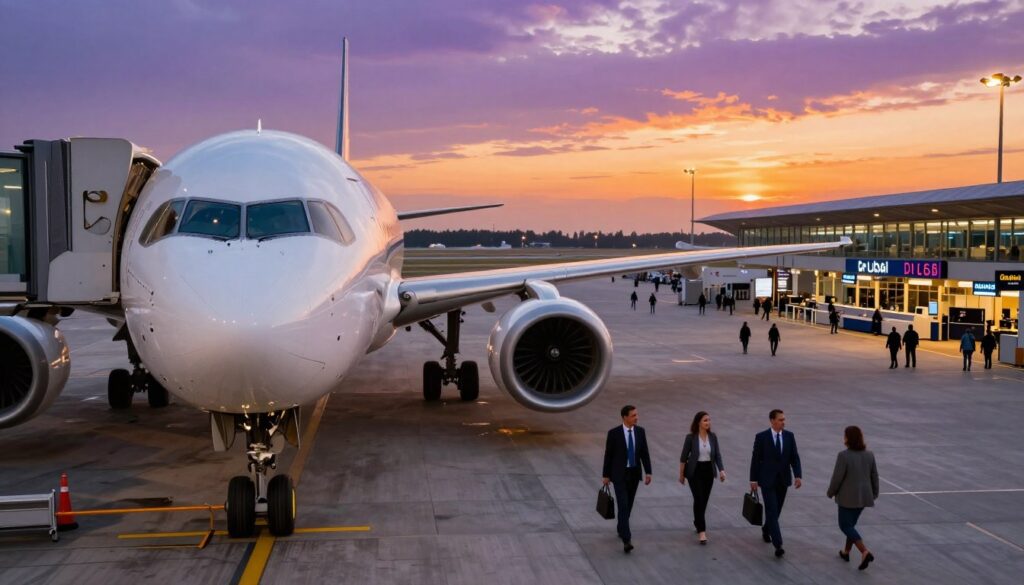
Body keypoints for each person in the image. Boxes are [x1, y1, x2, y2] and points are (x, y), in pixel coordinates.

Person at [749, 409, 802, 558]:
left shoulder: (789, 436)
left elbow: (794, 457)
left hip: (783, 480)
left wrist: (798, 475)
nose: (783, 422)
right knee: (771, 510)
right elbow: (756, 459)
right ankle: (778, 544)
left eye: (784, 419)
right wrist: (753, 479)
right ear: (772, 420)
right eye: (780, 420)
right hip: (766, 481)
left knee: (776, 511)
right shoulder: (761, 437)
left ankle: (766, 529)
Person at [826, 426, 879, 571]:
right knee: (851, 526)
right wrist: (874, 493)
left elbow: (837, 478)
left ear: (848, 438)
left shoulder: (843, 456)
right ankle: (846, 552)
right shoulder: (869, 455)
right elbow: (874, 476)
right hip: (863, 497)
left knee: (845, 526)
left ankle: (864, 552)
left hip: (847, 498)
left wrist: (831, 492)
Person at [602, 405, 653, 553]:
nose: (636, 418)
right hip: (619, 475)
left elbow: (644, 453)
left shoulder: (640, 432)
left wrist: (648, 472)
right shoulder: (614, 433)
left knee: (628, 505)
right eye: (633, 415)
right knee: (623, 505)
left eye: (637, 415)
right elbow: (608, 455)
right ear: (625, 417)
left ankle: (621, 527)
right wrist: (606, 475)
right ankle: (627, 539)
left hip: (634, 473)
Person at [679, 411, 726, 545]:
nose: (708, 423)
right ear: (698, 422)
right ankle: (702, 531)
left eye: (709, 420)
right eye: (705, 420)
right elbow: (683, 458)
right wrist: (681, 474)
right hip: (695, 471)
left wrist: (722, 470)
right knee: (699, 498)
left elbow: (717, 455)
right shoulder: (690, 438)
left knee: (703, 500)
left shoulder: (713, 437)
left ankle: (697, 520)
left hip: (708, 471)